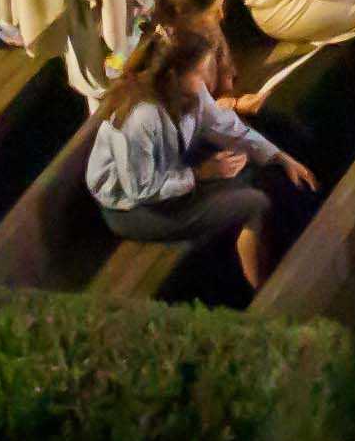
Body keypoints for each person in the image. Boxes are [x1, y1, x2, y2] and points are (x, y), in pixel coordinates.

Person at [89, 34, 313, 283]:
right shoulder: (142, 118)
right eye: (202, 72)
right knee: (253, 203)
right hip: (132, 209)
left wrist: (280, 157)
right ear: (175, 76)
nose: (210, 80)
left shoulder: (190, 92)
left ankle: (269, 265)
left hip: (170, 179)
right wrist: (200, 174)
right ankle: (262, 289)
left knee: (250, 175)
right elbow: (142, 189)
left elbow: (227, 127)